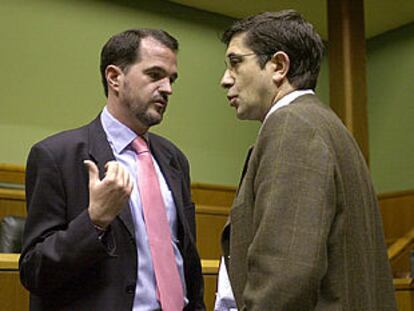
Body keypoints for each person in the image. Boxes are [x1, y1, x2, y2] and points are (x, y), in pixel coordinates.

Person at [215, 10, 397, 311]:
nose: (225, 80)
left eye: (235, 63)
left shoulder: (292, 126)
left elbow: (284, 273)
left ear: (278, 66)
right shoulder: (324, 123)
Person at [19, 29, 205, 311]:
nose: (168, 88)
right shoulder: (57, 156)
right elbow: (35, 271)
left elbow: (187, 258)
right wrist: (94, 221)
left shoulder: (174, 159)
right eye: (155, 75)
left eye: (172, 79)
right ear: (115, 77)